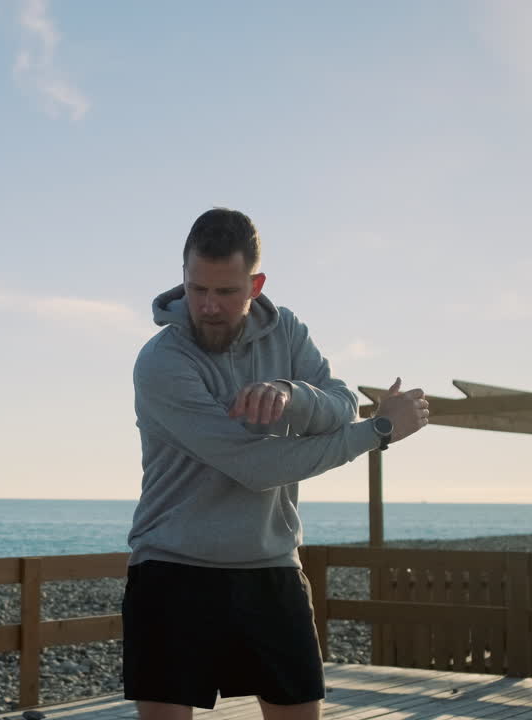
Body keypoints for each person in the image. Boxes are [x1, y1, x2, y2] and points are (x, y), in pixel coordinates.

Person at [122, 208, 430, 720]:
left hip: (270, 568)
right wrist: (380, 431)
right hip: (172, 572)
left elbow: (339, 402)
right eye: (197, 289)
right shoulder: (162, 361)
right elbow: (256, 466)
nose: (208, 306)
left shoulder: (286, 332)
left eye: (225, 292)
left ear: (256, 284)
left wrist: (291, 394)